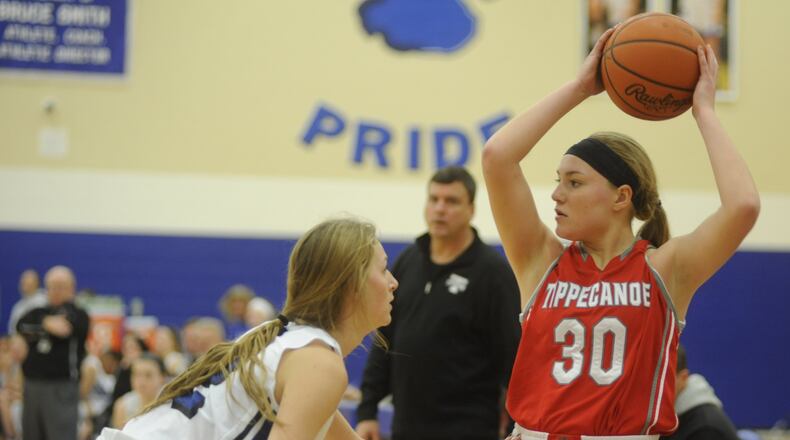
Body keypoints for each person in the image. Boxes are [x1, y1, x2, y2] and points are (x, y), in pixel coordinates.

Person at [482, 27, 759, 438]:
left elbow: (743, 205)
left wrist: (704, 112)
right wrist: (579, 88)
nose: (557, 194)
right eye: (558, 180)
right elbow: (497, 156)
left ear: (621, 197)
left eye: (574, 182)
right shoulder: (540, 261)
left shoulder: (666, 267)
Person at [97, 217, 398, 439]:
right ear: (350, 286)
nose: (393, 282)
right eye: (383, 269)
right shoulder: (318, 364)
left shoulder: (284, 339)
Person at [356, 166, 521, 440]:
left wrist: (518, 426)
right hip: (406, 427)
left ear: (471, 209)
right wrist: (367, 411)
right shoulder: (409, 260)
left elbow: (513, 358)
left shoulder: (493, 272)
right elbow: (384, 338)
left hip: (469, 429)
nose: (440, 209)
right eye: (434, 199)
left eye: (452, 201)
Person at [17, 265, 91, 440]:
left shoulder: (79, 313)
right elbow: (21, 326)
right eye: (52, 286)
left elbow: (66, 329)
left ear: (71, 288)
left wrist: (40, 329)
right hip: (32, 385)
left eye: (61, 286)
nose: (56, 291)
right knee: (31, 433)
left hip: (61, 387)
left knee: (60, 434)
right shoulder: (38, 312)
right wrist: (45, 324)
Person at [660, 345, 740, 440]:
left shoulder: (706, 430)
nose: (656, 388)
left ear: (683, 378)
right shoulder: (664, 416)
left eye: (663, 380)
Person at [111, 354, 167, 429]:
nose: (141, 382)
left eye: (148, 375)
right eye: (136, 374)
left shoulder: (171, 404)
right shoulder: (122, 406)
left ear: (162, 377)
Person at [7, 269, 47, 335]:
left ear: (36, 283)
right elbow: (12, 329)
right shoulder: (18, 306)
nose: (25, 286)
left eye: (28, 283)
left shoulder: (43, 301)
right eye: (23, 283)